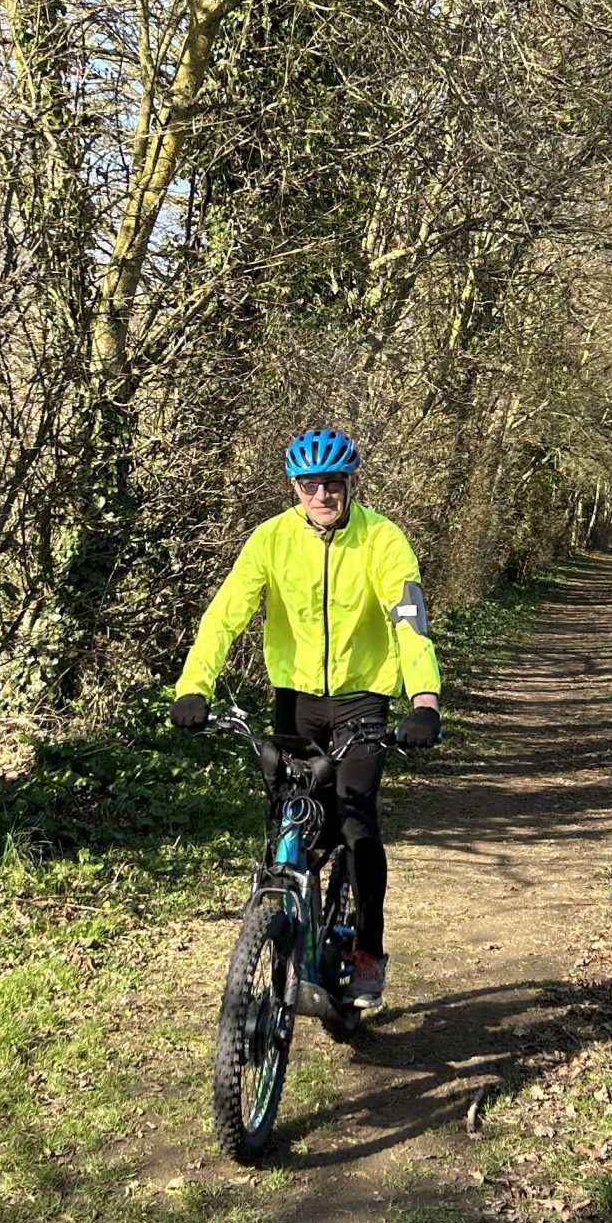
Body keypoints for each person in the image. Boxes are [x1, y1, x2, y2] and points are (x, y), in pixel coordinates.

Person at [169, 428, 441, 1007]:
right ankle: (289, 922)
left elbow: (410, 624)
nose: (322, 494)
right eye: (310, 484)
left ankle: (367, 950)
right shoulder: (269, 541)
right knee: (294, 818)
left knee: (355, 824)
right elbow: (224, 615)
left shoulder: (383, 541)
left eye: (333, 483)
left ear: (350, 485)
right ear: (295, 486)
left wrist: (423, 701)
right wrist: (194, 686)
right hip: (295, 700)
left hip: (362, 700)